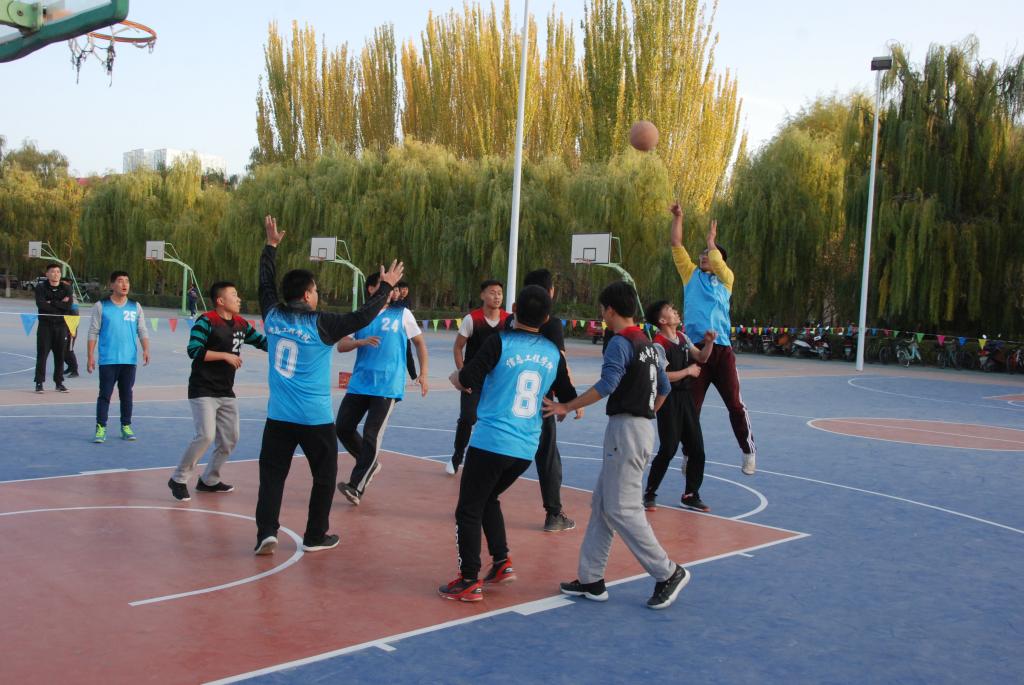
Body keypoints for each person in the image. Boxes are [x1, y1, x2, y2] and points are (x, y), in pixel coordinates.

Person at [253, 215, 402, 556]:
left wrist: (271, 247)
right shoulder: (323, 324)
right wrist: (385, 288)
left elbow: (265, 283)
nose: (318, 295)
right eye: (316, 290)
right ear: (308, 294)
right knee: (324, 476)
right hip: (314, 418)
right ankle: (314, 535)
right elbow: (362, 316)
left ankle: (266, 533)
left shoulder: (272, 316)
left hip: (278, 417)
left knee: (272, 476)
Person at [545, 281, 691, 610]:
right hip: (640, 428)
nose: (602, 315)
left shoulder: (619, 343)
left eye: (602, 310)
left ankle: (668, 571)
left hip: (627, 430)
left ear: (610, 309)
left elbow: (608, 384)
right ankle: (591, 578)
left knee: (622, 509)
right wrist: (647, 413)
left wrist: (567, 405)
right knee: (602, 505)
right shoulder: (650, 345)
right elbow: (664, 388)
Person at [438, 285, 578, 601]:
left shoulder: (499, 342)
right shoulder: (552, 353)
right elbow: (568, 395)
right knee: (488, 498)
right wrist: (564, 408)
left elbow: (467, 377)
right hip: (525, 448)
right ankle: (501, 562)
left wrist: (456, 378)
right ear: (547, 318)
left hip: (492, 442)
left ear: (513, 309)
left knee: (468, 509)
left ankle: (469, 580)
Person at [670, 203, 756, 475]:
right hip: (696, 351)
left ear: (720, 260)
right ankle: (687, 454)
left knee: (735, 404)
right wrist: (679, 217)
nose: (704, 256)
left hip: (722, 352)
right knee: (691, 407)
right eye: (703, 253)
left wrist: (711, 243)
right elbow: (676, 244)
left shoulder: (727, 279)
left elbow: (719, 263)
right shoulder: (690, 274)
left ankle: (748, 451)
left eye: (709, 254)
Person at [167, 281, 268, 502]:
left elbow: (263, 342)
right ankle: (178, 479)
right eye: (234, 294)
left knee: (230, 439)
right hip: (202, 389)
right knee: (206, 435)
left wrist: (290, 342)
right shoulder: (206, 321)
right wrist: (224, 355)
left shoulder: (241, 324)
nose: (239, 299)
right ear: (221, 301)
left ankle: (209, 480)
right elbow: (194, 350)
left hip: (226, 391)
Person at [335, 272, 429, 506]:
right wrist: (359, 342)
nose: (392, 290)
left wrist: (423, 373)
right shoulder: (360, 315)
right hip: (360, 382)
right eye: (385, 285)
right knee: (343, 427)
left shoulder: (402, 314)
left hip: (387, 384)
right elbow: (341, 345)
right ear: (371, 289)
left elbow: (419, 343)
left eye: (393, 287)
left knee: (371, 434)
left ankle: (356, 487)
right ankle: (370, 463)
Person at [503, 268, 578, 532]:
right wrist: (569, 402)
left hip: (507, 398)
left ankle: (481, 498)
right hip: (541, 402)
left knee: (500, 450)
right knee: (547, 457)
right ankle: (554, 514)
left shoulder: (508, 322)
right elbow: (560, 362)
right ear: (551, 292)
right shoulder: (551, 323)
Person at [642, 300, 715, 512]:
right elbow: (661, 377)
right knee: (668, 448)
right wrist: (687, 372)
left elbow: (701, 357)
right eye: (670, 310)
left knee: (697, 449)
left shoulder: (682, 337)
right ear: (662, 320)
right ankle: (650, 492)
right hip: (668, 399)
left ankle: (691, 494)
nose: (676, 312)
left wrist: (709, 343)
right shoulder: (658, 345)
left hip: (686, 398)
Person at [447, 279, 509, 475]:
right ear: (482, 295)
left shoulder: (509, 320)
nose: (497, 296)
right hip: (474, 379)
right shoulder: (472, 319)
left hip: (498, 381)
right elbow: (458, 348)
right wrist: (462, 374)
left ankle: (491, 461)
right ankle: (457, 456)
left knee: (496, 422)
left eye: (499, 293)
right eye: (492, 292)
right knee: (468, 418)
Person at [87, 271, 150, 443]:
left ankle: (126, 426)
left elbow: (142, 330)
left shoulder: (135, 306)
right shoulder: (101, 306)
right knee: (105, 395)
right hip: (108, 359)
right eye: (120, 281)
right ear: (112, 285)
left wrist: (146, 349)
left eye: (127, 281)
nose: (124, 284)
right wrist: (90, 356)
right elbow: (93, 331)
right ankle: (101, 427)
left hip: (129, 360)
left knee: (126, 395)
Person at [34, 263, 72, 393]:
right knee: (42, 354)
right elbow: (41, 305)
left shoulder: (67, 288)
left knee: (60, 355)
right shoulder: (41, 287)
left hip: (61, 326)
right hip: (45, 326)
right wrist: (60, 303)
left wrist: (52, 302)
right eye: (53, 271)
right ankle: (39, 382)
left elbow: (67, 307)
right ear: (47, 274)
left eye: (58, 272)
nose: (56, 274)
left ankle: (59, 382)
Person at [62, 277, 80, 378]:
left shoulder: (71, 297)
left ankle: (75, 370)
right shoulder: (64, 294)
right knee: (62, 349)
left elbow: (75, 314)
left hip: (71, 327)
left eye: (64, 284)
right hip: (64, 326)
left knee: (68, 349)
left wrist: (72, 329)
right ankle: (70, 367)